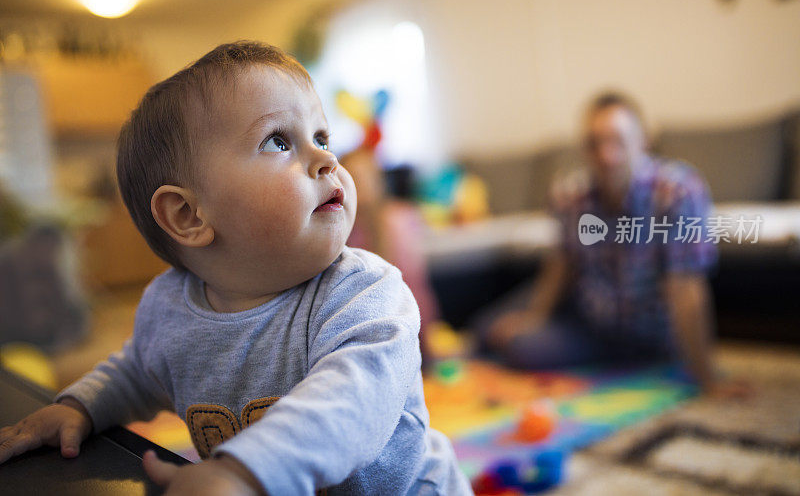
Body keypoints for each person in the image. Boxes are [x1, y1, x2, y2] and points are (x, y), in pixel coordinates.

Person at [0, 41, 472, 496]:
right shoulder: (169, 310)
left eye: (321, 137)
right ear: (189, 216)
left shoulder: (366, 293)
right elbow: (136, 374)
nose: (327, 158)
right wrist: (79, 407)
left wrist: (248, 472)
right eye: (279, 142)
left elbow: (352, 402)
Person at [485, 92, 741, 397]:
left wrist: (707, 378)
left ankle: (623, 360)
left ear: (642, 140)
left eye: (618, 141)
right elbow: (562, 264)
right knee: (488, 328)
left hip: (648, 335)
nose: (607, 155)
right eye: (595, 144)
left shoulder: (677, 192)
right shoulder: (572, 196)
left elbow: (686, 288)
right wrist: (534, 317)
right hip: (588, 319)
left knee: (519, 349)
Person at [341, 148, 441, 367]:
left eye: (367, 178)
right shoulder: (343, 231)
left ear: (379, 181)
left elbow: (414, 282)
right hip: (371, 326)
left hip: (414, 317)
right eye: (355, 178)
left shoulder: (401, 218)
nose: (362, 186)